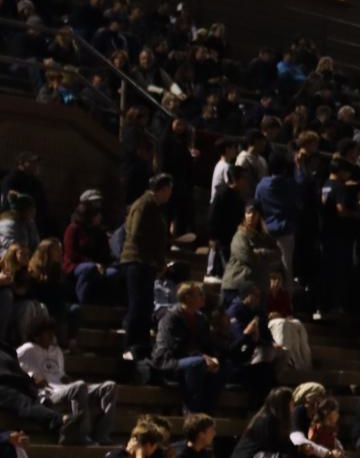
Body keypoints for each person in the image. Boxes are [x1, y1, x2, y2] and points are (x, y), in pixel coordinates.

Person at [16, 313, 117, 443]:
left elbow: (61, 375)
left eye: (53, 333)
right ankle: (80, 434)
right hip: (49, 394)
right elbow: (13, 364)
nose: (52, 337)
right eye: (48, 334)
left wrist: (69, 381)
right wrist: (31, 376)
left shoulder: (56, 351)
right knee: (80, 386)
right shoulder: (27, 349)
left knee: (110, 386)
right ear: (36, 336)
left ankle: (102, 434)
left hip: (64, 389)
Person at [119, 174, 174, 359]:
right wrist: (153, 255)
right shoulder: (144, 205)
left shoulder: (156, 208)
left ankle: (141, 345)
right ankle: (130, 344)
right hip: (137, 260)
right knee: (137, 305)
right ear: (162, 189)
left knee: (145, 306)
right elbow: (136, 233)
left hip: (148, 262)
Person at [150, 281, 223, 413]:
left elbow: (208, 344)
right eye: (199, 294)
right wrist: (201, 356)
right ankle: (191, 413)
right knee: (198, 364)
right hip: (169, 361)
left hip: (195, 360)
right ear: (188, 297)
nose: (203, 297)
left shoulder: (201, 319)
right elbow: (174, 346)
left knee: (220, 368)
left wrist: (214, 358)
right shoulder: (171, 317)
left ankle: (207, 414)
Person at [229, 388, 295, 458]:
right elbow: (272, 446)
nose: (293, 406)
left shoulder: (275, 420)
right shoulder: (267, 420)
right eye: (291, 403)